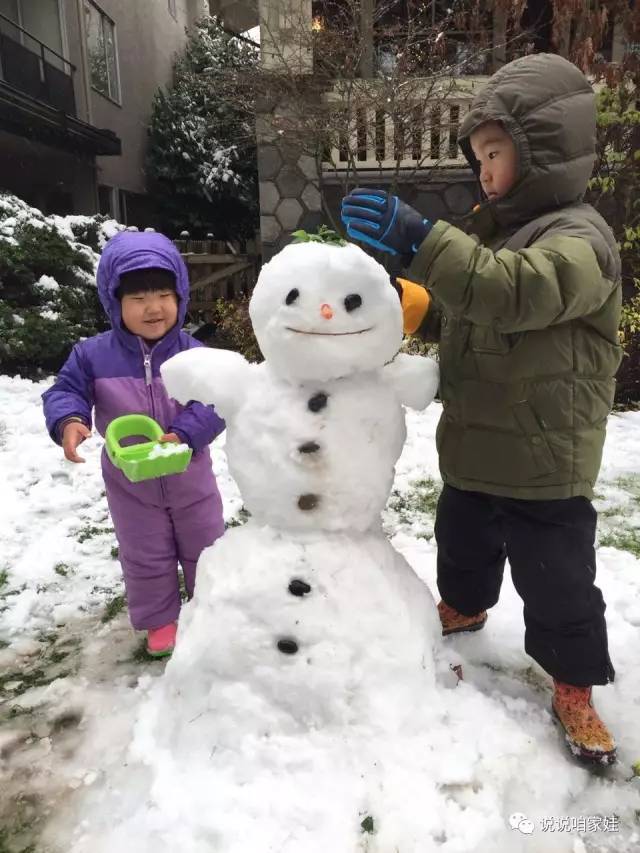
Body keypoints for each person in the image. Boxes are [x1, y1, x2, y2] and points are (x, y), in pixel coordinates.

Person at [341, 53, 621, 765]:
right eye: (480, 156)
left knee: (557, 580)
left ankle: (574, 682)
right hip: (475, 446)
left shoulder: (580, 240)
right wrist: (413, 304)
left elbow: (514, 292)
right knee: (461, 538)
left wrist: (424, 242)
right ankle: (465, 602)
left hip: (544, 461)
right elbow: (473, 313)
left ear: (543, 152)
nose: (484, 170)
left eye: (494, 153)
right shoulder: (493, 235)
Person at [42, 231, 225, 658]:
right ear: (114, 302)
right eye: (138, 298)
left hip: (189, 474)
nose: (153, 307)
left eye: (164, 294)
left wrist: (185, 433)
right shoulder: (91, 355)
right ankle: (161, 620)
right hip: (131, 482)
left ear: (180, 296)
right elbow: (65, 390)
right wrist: (69, 420)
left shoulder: (192, 354)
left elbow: (216, 401)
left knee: (207, 545)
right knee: (146, 554)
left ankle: (213, 609)